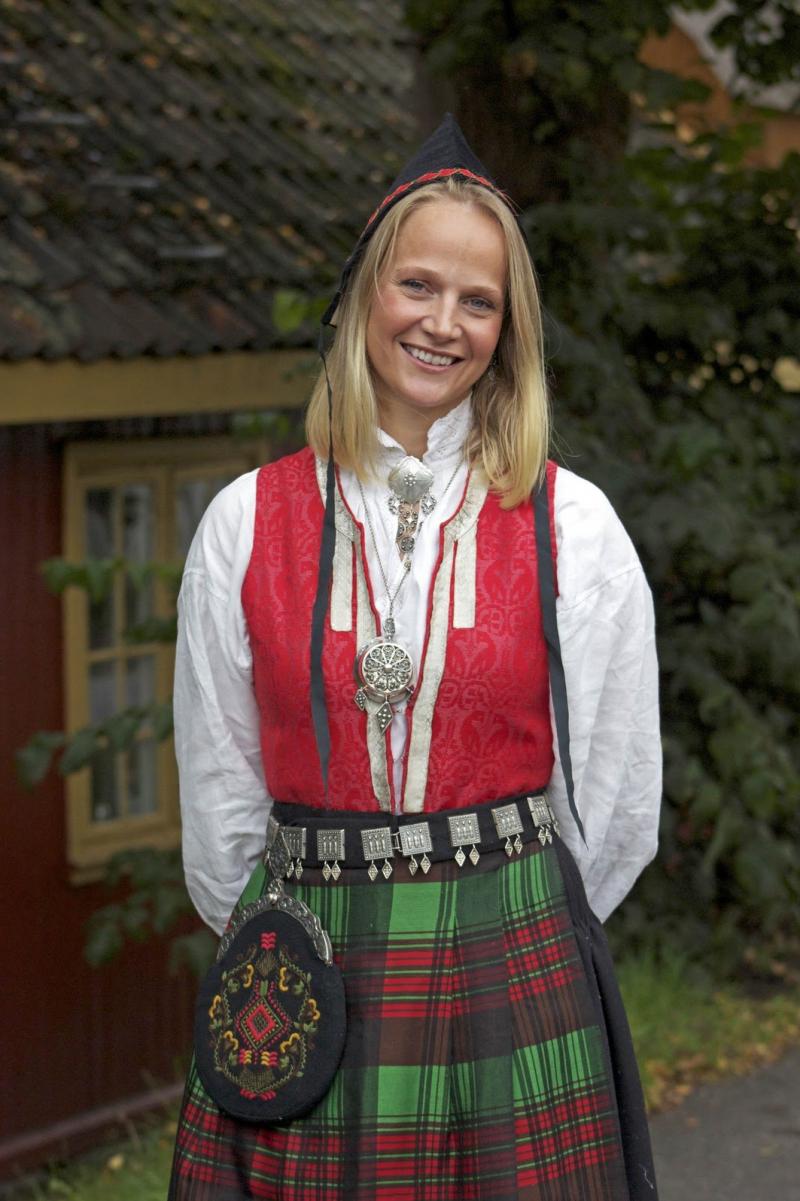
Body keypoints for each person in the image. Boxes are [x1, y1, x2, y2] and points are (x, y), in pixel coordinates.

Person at [169, 115, 661, 1200]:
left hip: (509, 958)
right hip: (307, 961)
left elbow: (615, 802)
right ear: (363, 298)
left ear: (507, 330)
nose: (443, 324)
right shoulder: (245, 522)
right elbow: (220, 795)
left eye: (478, 301)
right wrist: (298, 932)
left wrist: (515, 923)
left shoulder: (572, 526)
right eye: (418, 285)